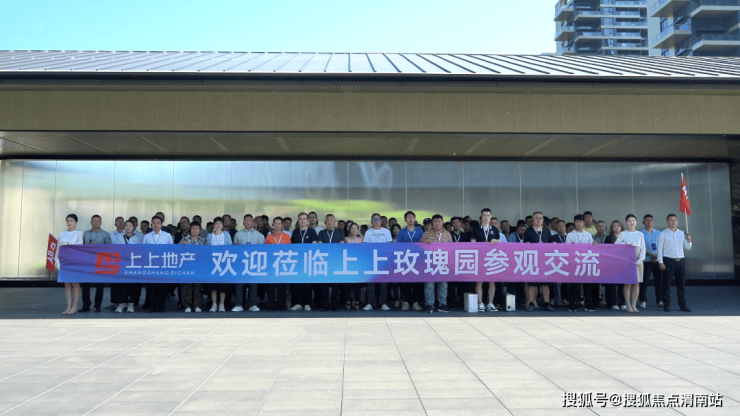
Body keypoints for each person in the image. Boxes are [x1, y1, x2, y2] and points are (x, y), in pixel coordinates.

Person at [658, 214, 693, 313]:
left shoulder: (682, 233)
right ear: (667, 221)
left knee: (681, 284)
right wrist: (660, 262)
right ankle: (666, 305)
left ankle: (683, 305)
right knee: (667, 284)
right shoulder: (663, 234)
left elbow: (688, 247)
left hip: (680, 261)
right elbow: (659, 249)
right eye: (671, 220)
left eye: (675, 220)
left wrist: (689, 241)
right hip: (669, 261)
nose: (673, 222)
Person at [523, 212, 556, 312]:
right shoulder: (528, 231)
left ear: (543, 220)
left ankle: (547, 304)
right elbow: (524, 245)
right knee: (532, 284)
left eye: (540, 218)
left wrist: (553, 244)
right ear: (532, 220)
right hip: (533, 260)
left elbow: (550, 243)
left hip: (545, 260)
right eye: (536, 218)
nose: (538, 220)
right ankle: (531, 303)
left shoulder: (547, 231)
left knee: (545, 284)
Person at [471, 208, 502, 312]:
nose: (486, 217)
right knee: (479, 281)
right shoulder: (476, 229)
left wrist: (496, 241)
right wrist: (482, 244)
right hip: (480, 258)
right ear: (481, 216)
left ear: (491, 216)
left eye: (488, 215)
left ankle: (490, 303)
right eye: (484, 215)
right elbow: (472, 243)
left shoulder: (495, 230)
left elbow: (500, 243)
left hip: (492, 258)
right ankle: (480, 303)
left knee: (492, 281)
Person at [233, 214, 266, 312]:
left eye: (250, 220)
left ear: (253, 222)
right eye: (246, 220)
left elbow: (261, 249)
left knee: (253, 284)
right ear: (243, 222)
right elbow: (234, 249)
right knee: (239, 284)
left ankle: (253, 304)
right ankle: (238, 304)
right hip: (241, 263)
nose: (248, 222)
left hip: (253, 263)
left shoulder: (258, 235)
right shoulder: (238, 234)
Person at [420, 214, 452, 313]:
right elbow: (419, 247)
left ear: (442, 222)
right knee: (429, 284)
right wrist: (425, 242)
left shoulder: (447, 234)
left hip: (443, 262)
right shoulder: (426, 234)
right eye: (435, 222)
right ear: (432, 223)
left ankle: (442, 304)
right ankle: (429, 304)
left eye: (439, 222)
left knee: (443, 284)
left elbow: (452, 248)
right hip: (430, 262)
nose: (437, 224)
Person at [81, 215, 112, 312]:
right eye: (94, 221)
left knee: (99, 285)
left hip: (100, 263)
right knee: (85, 285)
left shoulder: (105, 234)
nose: (95, 223)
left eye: (98, 221)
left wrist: (97, 246)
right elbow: (81, 247)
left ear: (100, 222)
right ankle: (86, 305)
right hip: (87, 262)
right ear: (91, 222)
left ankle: (97, 306)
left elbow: (110, 249)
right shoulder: (86, 233)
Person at [616, 214, 646, 313]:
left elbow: (643, 248)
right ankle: (628, 304)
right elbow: (616, 244)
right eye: (629, 220)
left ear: (636, 222)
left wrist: (641, 258)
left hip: (638, 259)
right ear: (626, 222)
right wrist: (626, 244)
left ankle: (634, 305)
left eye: (633, 220)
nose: (631, 222)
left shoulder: (640, 234)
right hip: (627, 259)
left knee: (636, 283)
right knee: (628, 283)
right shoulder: (623, 234)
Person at [565, 214, 595, 312]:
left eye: (581, 222)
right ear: (574, 223)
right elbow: (567, 248)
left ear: (584, 223)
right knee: (574, 285)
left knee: (587, 285)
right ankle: (572, 305)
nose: (579, 224)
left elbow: (592, 248)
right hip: (574, 262)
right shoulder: (570, 235)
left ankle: (588, 305)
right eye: (577, 222)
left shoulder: (588, 235)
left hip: (586, 261)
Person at [143, 215, 173, 313]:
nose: (156, 225)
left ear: (161, 224)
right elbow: (143, 250)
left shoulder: (167, 236)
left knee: (161, 287)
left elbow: (171, 250)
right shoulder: (147, 236)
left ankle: (161, 306)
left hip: (163, 265)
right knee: (151, 287)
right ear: (151, 224)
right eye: (154, 223)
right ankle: (152, 306)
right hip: (150, 265)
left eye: (158, 223)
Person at [363, 213, 393, 311]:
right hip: (371, 260)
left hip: (383, 261)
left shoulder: (386, 231)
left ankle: (384, 303)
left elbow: (389, 245)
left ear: (381, 221)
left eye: (378, 219)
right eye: (374, 220)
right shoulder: (368, 233)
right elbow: (366, 247)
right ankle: (370, 303)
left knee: (383, 283)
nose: (376, 221)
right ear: (371, 222)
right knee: (370, 283)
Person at [396, 211, 424, 311]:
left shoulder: (420, 231)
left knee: (417, 282)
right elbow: (399, 246)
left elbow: (423, 244)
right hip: (405, 260)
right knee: (405, 282)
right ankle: (406, 302)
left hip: (417, 260)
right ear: (405, 219)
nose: (410, 218)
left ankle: (416, 303)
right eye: (408, 217)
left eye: (412, 217)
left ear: (415, 219)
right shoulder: (402, 232)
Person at [112, 220, 142, 313]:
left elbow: (140, 251)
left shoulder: (137, 239)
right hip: (122, 265)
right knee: (121, 285)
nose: (128, 227)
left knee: (133, 286)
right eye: (126, 226)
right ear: (124, 227)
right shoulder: (119, 238)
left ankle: (131, 305)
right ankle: (121, 304)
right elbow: (116, 250)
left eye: (130, 226)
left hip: (133, 265)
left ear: (133, 227)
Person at [290, 212, 318, 311]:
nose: (302, 221)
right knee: (297, 282)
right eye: (300, 219)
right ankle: (298, 303)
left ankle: (307, 303)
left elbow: (314, 245)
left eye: (304, 219)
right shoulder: (295, 232)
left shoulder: (312, 231)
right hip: (297, 261)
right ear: (298, 221)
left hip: (308, 261)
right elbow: (292, 246)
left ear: (307, 221)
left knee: (307, 282)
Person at [317, 214, 345, 311]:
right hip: (324, 261)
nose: (329, 222)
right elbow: (320, 246)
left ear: (335, 222)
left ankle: (334, 304)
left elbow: (342, 245)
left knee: (335, 284)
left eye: (331, 220)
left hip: (336, 261)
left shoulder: (340, 232)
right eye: (327, 220)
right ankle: (324, 303)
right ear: (325, 222)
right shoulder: (322, 232)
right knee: (324, 283)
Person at [58, 214, 84, 315]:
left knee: (75, 283)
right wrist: (57, 261)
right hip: (64, 261)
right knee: (67, 284)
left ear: (76, 222)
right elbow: (59, 248)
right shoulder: (62, 233)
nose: (69, 223)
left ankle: (75, 306)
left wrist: (68, 243)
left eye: (72, 221)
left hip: (75, 261)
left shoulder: (79, 233)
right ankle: (68, 306)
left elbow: (80, 244)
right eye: (68, 221)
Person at [207, 217, 233, 312]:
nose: (218, 225)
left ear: (222, 225)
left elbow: (230, 247)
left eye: (220, 223)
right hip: (212, 263)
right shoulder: (210, 236)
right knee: (213, 285)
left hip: (224, 263)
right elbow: (208, 248)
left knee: (223, 285)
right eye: (216, 223)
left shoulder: (226, 235)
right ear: (214, 225)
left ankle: (222, 304)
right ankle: (214, 304)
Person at [179, 221, 206, 313]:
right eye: (193, 228)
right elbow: (177, 251)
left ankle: (197, 305)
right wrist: (182, 245)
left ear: (200, 230)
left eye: (197, 228)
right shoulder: (184, 239)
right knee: (187, 286)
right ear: (190, 230)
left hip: (199, 267)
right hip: (187, 266)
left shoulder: (203, 240)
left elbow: (207, 252)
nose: (195, 230)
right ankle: (187, 305)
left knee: (198, 286)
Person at [265, 217, 290, 311]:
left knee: (282, 286)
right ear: (273, 224)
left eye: (279, 224)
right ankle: (271, 304)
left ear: (282, 225)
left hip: (283, 264)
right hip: (272, 265)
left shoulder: (286, 236)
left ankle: (281, 304)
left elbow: (289, 250)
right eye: (275, 223)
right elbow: (265, 251)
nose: (277, 225)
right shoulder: (269, 237)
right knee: (271, 286)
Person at [640, 214, 663, 308]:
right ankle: (643, 300)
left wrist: (657, 256)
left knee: (659, 281)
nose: (649, 222)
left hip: (658, 260)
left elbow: (662, 246)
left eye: (651, 220)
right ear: (643, 222)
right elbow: (640, 247)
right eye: (647, 220)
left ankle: (659, 300)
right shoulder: (640, 233)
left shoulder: (659, 233)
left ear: (653, 222)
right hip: (646, 260)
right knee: (644, 281)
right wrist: (652, 255)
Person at [604, 220, 626, 311]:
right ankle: (612, 303)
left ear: (621, 227)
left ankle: (622, 302)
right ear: (611, 228)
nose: (616, 228)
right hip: (611, 264)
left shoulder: (625, 237)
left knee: (622, 285)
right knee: (611, 284)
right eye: (614, 226)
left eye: (618, 226)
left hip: (622, 264)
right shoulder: (608, 238)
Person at [344, 222, 363, 310]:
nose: (354, 230)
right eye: (352, 228)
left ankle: (357, 302)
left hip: (358, 264)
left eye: (356, 228)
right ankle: (348, 301)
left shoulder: (361, 240)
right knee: (348, 284)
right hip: (348, 264)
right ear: (349, 230)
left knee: (357, 284)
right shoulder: (346, 239)